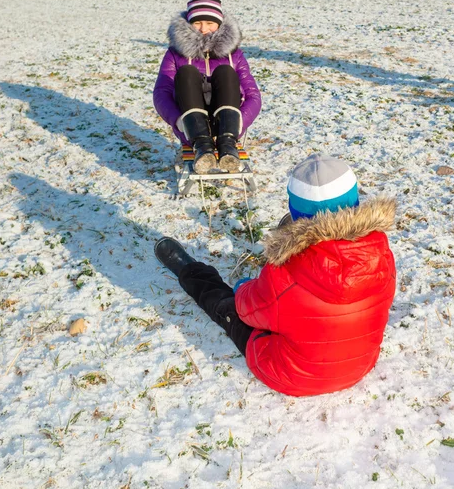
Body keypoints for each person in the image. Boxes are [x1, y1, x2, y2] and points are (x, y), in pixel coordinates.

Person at [154, 154, 396, 397]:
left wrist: (245, 286)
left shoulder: (284, 274)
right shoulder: (381, 253)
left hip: (293, 376)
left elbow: (246, 311)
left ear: (297, 212)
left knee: (226, 304)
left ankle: (189, 271)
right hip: (358, 367)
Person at [153, 0, 262, 174]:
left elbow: (253, 94)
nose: (203, 29)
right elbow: (161, 93)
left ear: (219, 24)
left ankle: (227, 145)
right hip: (190, 124)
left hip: (229, 123)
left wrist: (240, 120)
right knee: (187, 72)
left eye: (210, 23)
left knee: (226, 72)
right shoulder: (175, 54)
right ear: (189, 24)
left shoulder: (234, 55)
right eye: (197, 23)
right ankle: (202, 145)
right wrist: (178, 121)